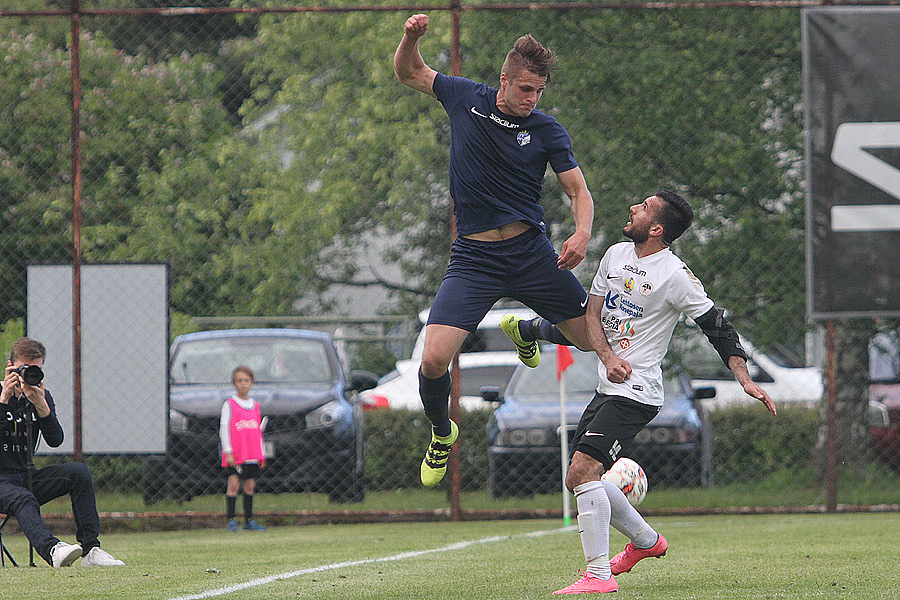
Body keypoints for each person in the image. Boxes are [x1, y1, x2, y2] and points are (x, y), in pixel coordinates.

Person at [394, 14, 596, 487]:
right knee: (432, 360)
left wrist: (582, 233)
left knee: (592, 339)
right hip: (474, 260)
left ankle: (529, 329)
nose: (532, 99)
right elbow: (409, 72)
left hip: (531, 256)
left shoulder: (547, 131)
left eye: (539, 91)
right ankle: (442, 432)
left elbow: (579, 193)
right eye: (525, 88)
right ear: (504, 79)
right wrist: (410, 39)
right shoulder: (466, 98)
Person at [552, 190, 777, 595]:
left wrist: (744, 378)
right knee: (580, 477)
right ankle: (646, 542)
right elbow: (591, 314)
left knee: (583, 471)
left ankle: (598, 577)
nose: (632, 207)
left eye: (642, 208)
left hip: (637, 392)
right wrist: (606, 357)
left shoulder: (675, 274)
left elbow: (718, 327)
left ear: (656, 229)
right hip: (610, 385)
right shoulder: (616, 255)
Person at [0, 337, 124, 567]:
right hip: (2, 482)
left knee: (78, 472)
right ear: (9, 367)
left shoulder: (40, 397)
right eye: (22, 369)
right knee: (23, 497)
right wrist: (4, 401)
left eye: (34, 370)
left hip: (24, 476)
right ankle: (52, 550)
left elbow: (55, 440)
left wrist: (42, 407)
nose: (27, 374)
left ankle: (91, 550)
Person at [220, 365, 266, 532]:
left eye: (246, 380)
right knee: (233, 484)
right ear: (234, 383)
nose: (243, 384)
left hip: (251, 454)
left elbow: (258, 431)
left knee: (249, 486)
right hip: (236, 454)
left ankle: (249, 520)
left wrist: (261, 454)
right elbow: (224, 427)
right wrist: (228, 451)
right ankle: (231, 520)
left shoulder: (255, 405)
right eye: (239, 381)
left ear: (252, 383)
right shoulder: (230, 405)